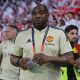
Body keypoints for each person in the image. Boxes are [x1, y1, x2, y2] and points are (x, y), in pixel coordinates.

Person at [10, 4, 74, 80]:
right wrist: (19, 62)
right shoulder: (21, 35)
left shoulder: (59, 33)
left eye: (41, 13)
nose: (37, 16)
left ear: (47, 15)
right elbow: (13, 57)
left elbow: (70, 60)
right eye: (34, 14)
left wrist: (48, 59)